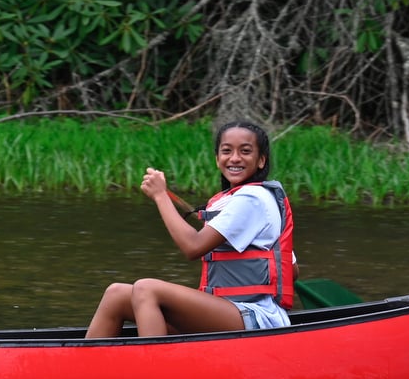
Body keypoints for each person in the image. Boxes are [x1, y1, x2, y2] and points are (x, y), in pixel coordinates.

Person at [85, 120, 297, 339]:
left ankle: (154, 368)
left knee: (146, 288)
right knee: (116, 294)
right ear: (217, 159)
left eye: (245, 151)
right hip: (229, 311)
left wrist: (160, 196)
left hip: (257, 319)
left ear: (261, 160)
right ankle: (84, 368)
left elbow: (192, 247)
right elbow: (292, 270)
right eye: (227, 151)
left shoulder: (252, 199)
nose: (234, 158)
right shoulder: (236, 200)